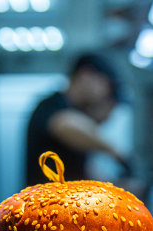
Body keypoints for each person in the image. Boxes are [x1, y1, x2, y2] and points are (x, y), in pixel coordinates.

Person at [25, 53, 130, 185]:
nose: (105, 94)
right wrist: (114, 151)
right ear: (86, 75)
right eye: (105, 85)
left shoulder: (77, 112)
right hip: (45, 203)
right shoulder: (51, 105)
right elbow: (64, 124)